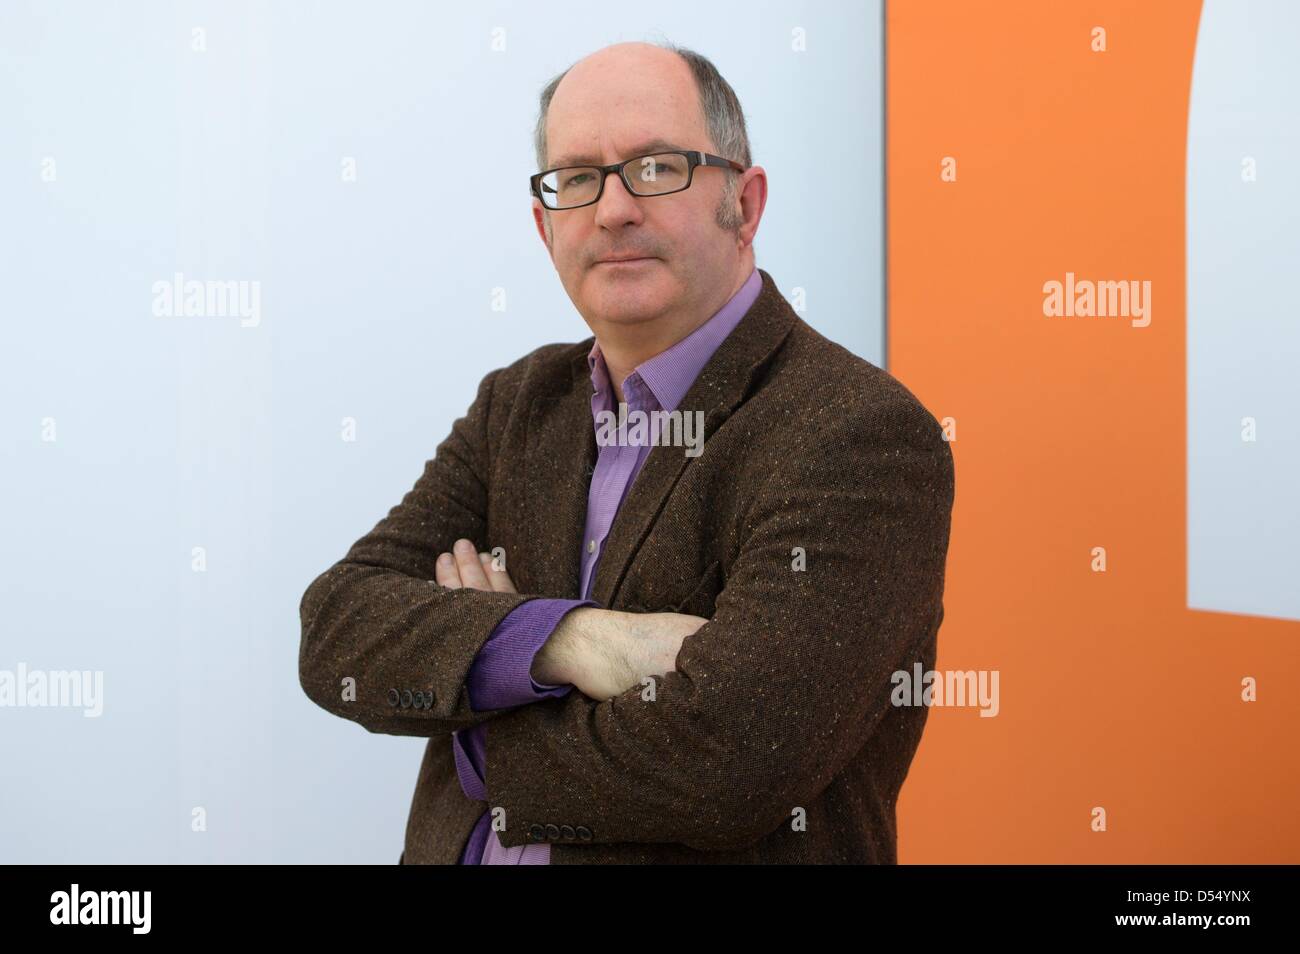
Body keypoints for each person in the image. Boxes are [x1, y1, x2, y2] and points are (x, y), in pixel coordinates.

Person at [298, 38, 955, 864]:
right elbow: (337, 632)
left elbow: (727, 762)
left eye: (655, 167)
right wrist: (572, 642)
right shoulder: (519, 405)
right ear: (544, 227)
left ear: (744, 205)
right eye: (576, 178)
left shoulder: (854, 432)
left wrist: (477, 705)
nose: (612, 210)